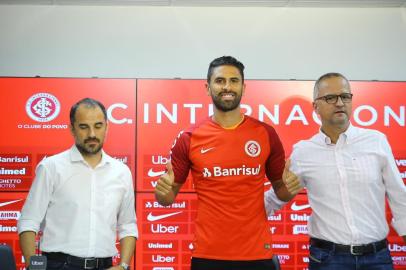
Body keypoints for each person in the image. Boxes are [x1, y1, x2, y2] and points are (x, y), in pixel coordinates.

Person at [154, 56, 302, 270]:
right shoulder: (189, 137)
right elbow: (167, 198)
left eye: (234, 80)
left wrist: (290, 189)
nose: (227, 87)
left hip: (257, 253)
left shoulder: (265, 133)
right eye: (220, 80)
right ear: (207, 87)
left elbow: (281, 191)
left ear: (243, 86)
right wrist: (162, 191)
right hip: (208, 253)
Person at [265, 72, 406, 270]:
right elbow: (276, 198)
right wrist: (235, 215)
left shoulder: (376, 140)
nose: (339, 103)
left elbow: (400, 197)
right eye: (330, 98)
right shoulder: (303, 152)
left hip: (377, 258)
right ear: (315, 107)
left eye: (345, 96)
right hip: (328, 259)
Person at [18, 98, 138, 270]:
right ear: (72, 129)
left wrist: (124, 265)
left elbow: (128, 225)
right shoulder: (50, 167)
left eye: (98, 126)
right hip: (58, 265)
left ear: (107, 127)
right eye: (84, 127)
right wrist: (33, 266)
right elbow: (29, 221)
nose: (92, 134)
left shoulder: (122, 172)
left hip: (105, 265)